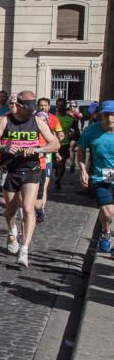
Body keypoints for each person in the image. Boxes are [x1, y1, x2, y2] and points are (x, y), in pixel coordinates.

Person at [0, 91, 60, 268]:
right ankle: (12, 230)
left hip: (31, 168)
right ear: (18, 105)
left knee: (28, 208)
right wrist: (5, 147)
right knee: (10, 210)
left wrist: (37, 150)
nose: (30, 112)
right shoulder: (5, 120)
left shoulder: (37, 121)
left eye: (32, 109)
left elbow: (55, 144)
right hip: (10, 169)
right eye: (27, 109)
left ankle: (25, 249)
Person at [78, 101, 114, 255]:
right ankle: (105, 233)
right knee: (108, 212)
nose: (110, 118)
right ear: (101, 115)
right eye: (106, 115)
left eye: (113, 115)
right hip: (101, 175)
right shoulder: (91, 131)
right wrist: (83, 171)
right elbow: (81, 149)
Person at [34, 98, 64, 223]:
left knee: (44, 185)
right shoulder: (32, 118)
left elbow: (59, 134)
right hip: (32, 156)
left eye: (45, 105)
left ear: (49, 106)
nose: (43, 107)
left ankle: (41, 208)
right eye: (40, 105)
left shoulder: (54, 119)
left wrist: (59, 143)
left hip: (46, 157)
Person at [53, 97, 79, 189]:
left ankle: (58, 179)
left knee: (61, 163)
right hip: (51, 144)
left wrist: (72, 136)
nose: (60, 107)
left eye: (62, 105)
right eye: (59, 105)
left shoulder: (71, 119)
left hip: (64, 144)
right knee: (54, 163)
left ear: (65, 106)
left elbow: (76, 131)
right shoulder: (52, 117)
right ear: (56, 106)